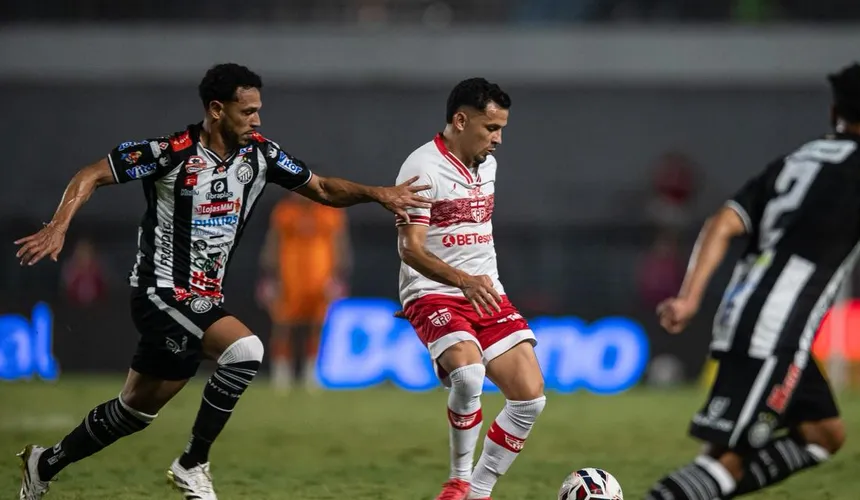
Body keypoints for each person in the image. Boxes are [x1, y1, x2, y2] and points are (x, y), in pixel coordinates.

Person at [13, 62, 431, 500]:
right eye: (247, 111)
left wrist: (379, 194)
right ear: (216, 109)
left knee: (133, 413)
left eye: (258, 110)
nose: (257, 120)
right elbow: (92, 173)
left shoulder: (261, 156)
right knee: (246, 350)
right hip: (161, 292)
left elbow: (323, 189)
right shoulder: (170, 152)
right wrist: (58, 225)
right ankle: (193, 464)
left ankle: (45, 463)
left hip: (203, 298)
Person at [644, 62, 860, 500]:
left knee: (823, 433)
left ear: (833, 111)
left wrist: (690, 298)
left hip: (753, 315)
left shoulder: (794, 162)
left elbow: (721, 223)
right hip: (773, 328)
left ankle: (710, 490)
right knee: (726, 456)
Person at [395, 78, 545, 500]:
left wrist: (477, 281)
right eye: (490, 128)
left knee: (530, 399)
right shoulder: (422, 168)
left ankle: (478, 493)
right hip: (433, 290)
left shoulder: (488, 165)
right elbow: (411, 249)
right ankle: (458, 481)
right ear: (460, 121)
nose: (498, 139)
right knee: (467, 373)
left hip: (485, 290)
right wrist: (459, 281)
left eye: (501, 130)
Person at [259, 191, 352, 391]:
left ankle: (312, 373)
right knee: (283, 325)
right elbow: (273, 242)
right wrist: (268, 277)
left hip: (321, 277)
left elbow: (339, 243)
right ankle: (281, 374)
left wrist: (339, 278)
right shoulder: (285, 211)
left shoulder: (329, 212)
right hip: (289, 278)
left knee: (317, 325)